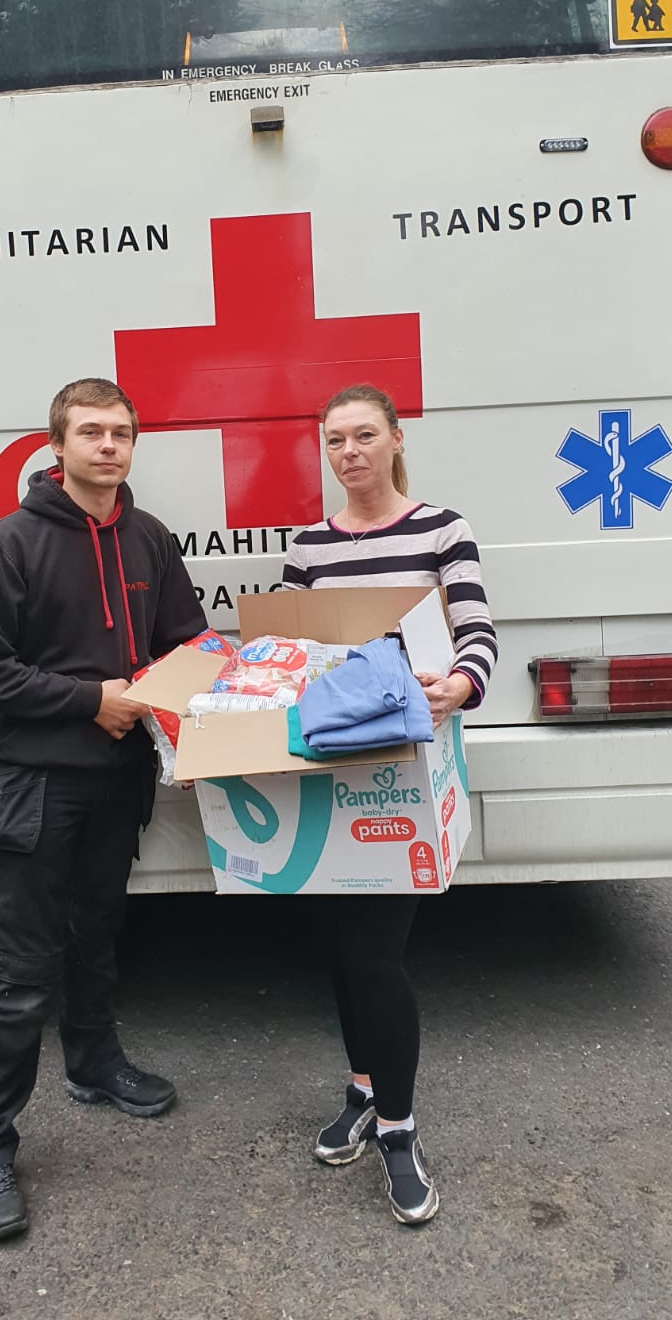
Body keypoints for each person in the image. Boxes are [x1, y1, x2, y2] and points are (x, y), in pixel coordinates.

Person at [0, 377, 207, 1242]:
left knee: (97, 935)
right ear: (55, 445)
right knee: (19, 971)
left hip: (118, 780)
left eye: (122, 432)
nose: (108, 445)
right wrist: (88, 699)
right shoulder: (11, 544)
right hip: (37, 783)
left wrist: (198, 722)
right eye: (91, 431)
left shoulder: (150, 540)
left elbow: (186, 644)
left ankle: (94, 1064)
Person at [282, 383, 497, 1225]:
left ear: (396, 438)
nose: (350, 452)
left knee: (374, 953)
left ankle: (399, 1132)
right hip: (333, 767)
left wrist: (459, 684)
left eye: (364, 435)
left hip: (410, 762)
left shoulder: (443, 529)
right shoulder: (309, 546)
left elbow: (476, 630)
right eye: (335, 440)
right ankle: (363, 1088)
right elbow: (293, 657)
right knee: (340, 949)